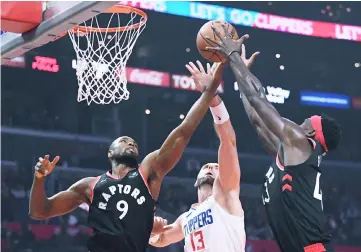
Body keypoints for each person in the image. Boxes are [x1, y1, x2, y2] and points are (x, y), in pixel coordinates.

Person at [28, 64, 222, 252]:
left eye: (134, 144)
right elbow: (39, 212)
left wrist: (209, 91)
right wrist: (39, 180)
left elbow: (183, 131)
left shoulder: (148, 172)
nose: (130, 144)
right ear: (109, 153)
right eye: (124, 141)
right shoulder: (89, 186)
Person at [204, 24, 342, 252]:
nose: (300, 122)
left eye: (306, 122)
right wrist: (241, 79)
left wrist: (234, 55)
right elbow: (258, 121)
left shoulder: (302, 142)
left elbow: (259, 99)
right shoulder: (293, 156)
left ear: (311, 134)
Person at [148, 60, 253, 252]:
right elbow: (161, 239)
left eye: (215, 167)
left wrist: (212, 98)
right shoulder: (185, 218)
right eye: (207, 166)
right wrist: (151, 231)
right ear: (196, 179)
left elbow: (228, 141)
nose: (210, 167)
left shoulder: (226, 194)